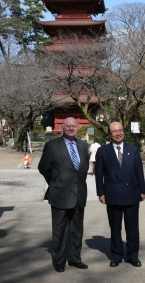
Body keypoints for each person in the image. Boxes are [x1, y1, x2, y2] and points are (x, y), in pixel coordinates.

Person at [38, 117, 89, 273]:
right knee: (59, 230)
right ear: (62, 127)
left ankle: (75, 258)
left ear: (78, 127)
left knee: (77, 230)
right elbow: (43, 168)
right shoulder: (52, 145)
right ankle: (59, 261)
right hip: (60, 193)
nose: (71, 128)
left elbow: (83, 168)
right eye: (68, 126)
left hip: (79, 193)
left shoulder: (82, 145)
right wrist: (55, 181)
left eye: (74, 126)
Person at [95, 122, 145, 268]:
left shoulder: (133, 150)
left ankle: (132, 256)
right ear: (110, 134)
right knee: (115, 228)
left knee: (132, 228)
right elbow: (99, 175)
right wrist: (101, 193)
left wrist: (142, 190)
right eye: (114, 131)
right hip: (113, 194)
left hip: (132, 193)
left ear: (124, 132)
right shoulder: (103, 151)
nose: (118, 133)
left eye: (120, 130)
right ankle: (116, 255)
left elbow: (139, 172)